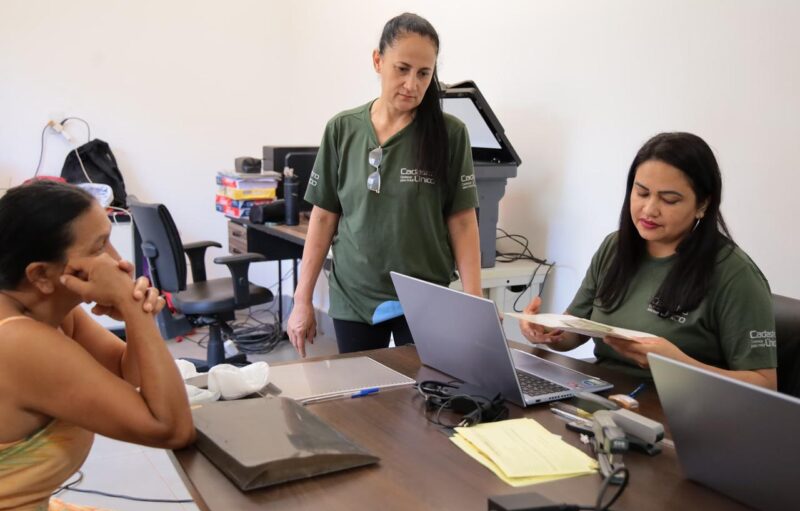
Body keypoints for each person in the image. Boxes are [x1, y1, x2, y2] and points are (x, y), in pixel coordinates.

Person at [0, 180, 195, 511]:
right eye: (99, 247)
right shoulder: (19, 341)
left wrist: (137, 315)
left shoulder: (47, 312)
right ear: (41, 274)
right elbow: (170, 428)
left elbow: (128, 373)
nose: (120, 264)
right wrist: (133, 310)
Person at [287, 12, 482, 356]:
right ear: (378, 61)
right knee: (362, 400)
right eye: (402, 69)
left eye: (424, 74)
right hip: (355, 294)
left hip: (425, 296)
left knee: (429, 399)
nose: (413, 84)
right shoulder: (342, 129)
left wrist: (474, 301)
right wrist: (302, 300)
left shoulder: (450, 134)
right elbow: (323, 217)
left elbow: (463, 220)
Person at [519, 132, 777, 389]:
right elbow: (573, 332)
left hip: (680, 409)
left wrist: (678, 364)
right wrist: (545, 332)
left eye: (669, 200)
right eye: (642, 193)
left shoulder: (734, 274)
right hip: (602, 394)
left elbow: (764, 385)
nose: (650, 209)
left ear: (703, 205)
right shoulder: (615, 247)